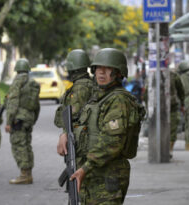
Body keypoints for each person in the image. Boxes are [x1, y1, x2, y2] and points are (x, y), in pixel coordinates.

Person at [59, 48, 145, 204]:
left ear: (119, 73)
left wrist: (85, 169)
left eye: (108, 69)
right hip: (90, 174)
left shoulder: (119, 100)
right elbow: (81, 124)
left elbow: (111, 143)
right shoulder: (97, 99)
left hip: (107, 177)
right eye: (98, 68)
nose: (101, 72)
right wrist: (65, 133)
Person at [5, 58, 40, 184]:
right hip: (28, 118)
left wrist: (9, 121)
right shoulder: (33, 83)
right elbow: (37, 105)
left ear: (17, 70)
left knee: (19, 145)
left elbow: (12, 102)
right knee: (26, 145)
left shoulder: (17, 82)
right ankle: (28, 173)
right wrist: (33, 119)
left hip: (18, 119)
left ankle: (24, 175)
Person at [54, 49, 93, 131]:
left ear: (72, 69)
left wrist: (65, 133)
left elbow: (72, 117)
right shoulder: (89, 83)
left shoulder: (79, 87)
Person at [169, 70, 185, 155]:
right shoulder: (174, 75)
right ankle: (169, 151)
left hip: (158, 108)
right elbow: (181, 91)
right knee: (172, 130)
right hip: (172, 107)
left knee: (171, 130)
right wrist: (182, 104)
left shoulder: (152, 73)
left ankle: (167, 151)